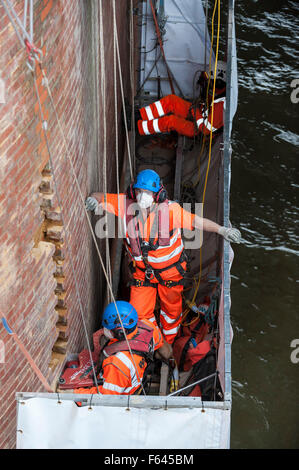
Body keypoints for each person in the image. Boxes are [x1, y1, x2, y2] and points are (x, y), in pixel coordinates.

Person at [85, 169, 241, 345]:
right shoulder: (126, 205)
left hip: (171, 275)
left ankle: (168, 342)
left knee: (171, 313)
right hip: (142, 274)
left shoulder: (171, 212)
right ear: (133, 191)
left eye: (147, 192)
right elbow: (99, 196)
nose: (142, 196)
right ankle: (155, 344)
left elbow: (197, 222)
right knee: (138, 313)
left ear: (157, 194)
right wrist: (93, 200)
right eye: (139, 191)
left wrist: (222, 230)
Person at [74, 300, 171, 396]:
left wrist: (75, 393)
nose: (105, 330)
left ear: (120, 332)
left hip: (124, 397)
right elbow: (166, 352)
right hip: (138, 382)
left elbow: (106, 397)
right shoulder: (149, 327)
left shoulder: (117, 363)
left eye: (108, 328)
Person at [137, 60, 227, 139]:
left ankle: (139, 127)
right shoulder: (218, 91)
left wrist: (196, 112)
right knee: (171, 101)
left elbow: (205, 130)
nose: (208, 83)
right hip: (198, 113)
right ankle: (139, 115)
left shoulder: (222, 106)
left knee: (171, 121)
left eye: (210, 81)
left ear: (218, 83)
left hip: (198, 130)